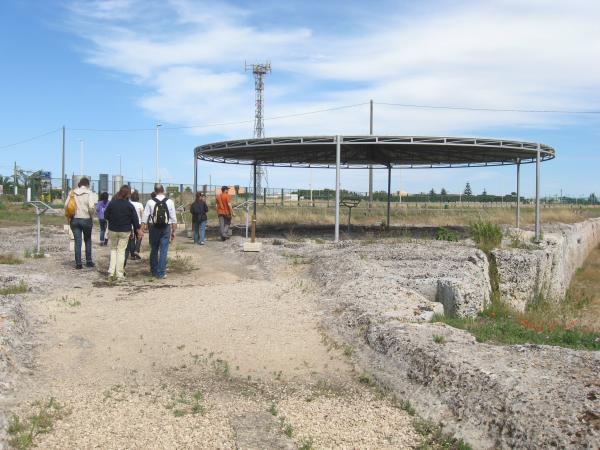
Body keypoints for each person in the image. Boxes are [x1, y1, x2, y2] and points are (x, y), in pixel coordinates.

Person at [104, 185, 142, 280]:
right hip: (125, 231)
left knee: (113, 250)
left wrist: (112, 220)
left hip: (113, 229)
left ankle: (111, 272)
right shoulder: (129, 205)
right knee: (121, 251)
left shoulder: (112, 203)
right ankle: (119, 274)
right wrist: (137, 229)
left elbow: (106, 215)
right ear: (128, 194)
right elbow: (135, 220)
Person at [142, 184, 177, 279]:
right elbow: (173, 218)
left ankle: (154, 271)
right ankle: (161, 273)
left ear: (155, 191)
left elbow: (145, 217)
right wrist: (174, 231)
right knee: (163, 250)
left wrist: (142, 228)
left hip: (153, 227)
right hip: (166, 227)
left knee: (154, 249)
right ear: (163, 190)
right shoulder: (170, 201)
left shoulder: (150, 202)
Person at [65, 177, 97, 269]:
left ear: (80, 184)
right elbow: (91, 207)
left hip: (74, 219)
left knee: (77, 241)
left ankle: (78, 263)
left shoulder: (72, 192)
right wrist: (91, 216)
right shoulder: (89, 193)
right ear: (87, 184)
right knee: (87, 240)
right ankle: (89, 261)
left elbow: (66, 205)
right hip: (86, 219)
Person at [125, 190, 144, 261]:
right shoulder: (140, 205)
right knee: (139, 237)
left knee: (131, 238)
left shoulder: (129, 203)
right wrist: (143, 223)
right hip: (138, 223)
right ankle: (136, 250)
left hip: (130, 223)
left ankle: (132, 255)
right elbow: (142, 215)